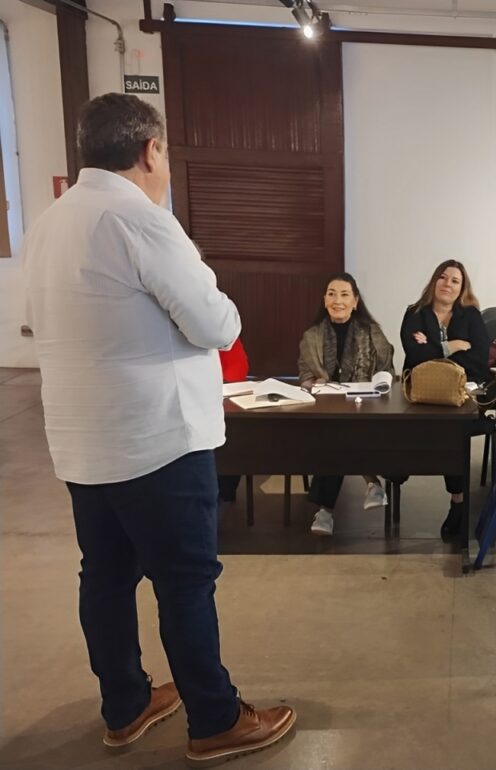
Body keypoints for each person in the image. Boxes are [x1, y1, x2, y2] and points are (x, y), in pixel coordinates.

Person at [22, 93, 294, 764]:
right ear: (151, 150)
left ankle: (125, 705)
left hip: (84, 443)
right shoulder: (140, 219)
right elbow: (217, 324)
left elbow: (36, 325)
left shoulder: (51, 222)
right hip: (158, 442)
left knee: (106, 577)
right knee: (184, 581)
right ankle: (215, 718)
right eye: (166, 152)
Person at [299, 273, 395, 536]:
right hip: (326, 411)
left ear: (355, 302)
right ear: (324, 300)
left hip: (366, 409)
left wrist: (380, 383)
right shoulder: (311, 336)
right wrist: (312, 383)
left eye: (344, 294)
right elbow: (304, 376)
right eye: (331, 294)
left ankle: (325, 512)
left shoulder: (372, 333)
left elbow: (387, 369)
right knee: (336, 433)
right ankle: (372, 481)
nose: (337, 300)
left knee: (339, 436)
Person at [400, 259, 490, 539]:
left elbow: (478, 360)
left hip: (461, 395)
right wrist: (451, 346)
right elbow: (413, 356)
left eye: (455, 280)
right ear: (434, 281)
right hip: (421, 395)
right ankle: (397, 471)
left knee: (454, 429)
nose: (447, 284)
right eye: (443, 277)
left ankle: (458, 504)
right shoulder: (415, 313)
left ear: (462, 287)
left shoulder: (471, 316)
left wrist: (431, 350)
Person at [217, 337, 249, 503]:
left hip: (227, 395)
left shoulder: (225, 333)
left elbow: (238, 369)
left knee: (234, 432)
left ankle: (224, 494)